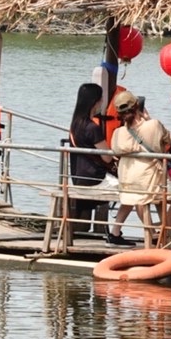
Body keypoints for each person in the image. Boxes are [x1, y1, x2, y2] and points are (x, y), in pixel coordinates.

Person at [106, 92, 171, 246]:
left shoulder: (118, 133)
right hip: (151, 181)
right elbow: (170, 139)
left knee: (135, 198)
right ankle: (163, 233)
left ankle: (118, 233)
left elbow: (115, 151)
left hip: (128, 181)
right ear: (138, 107)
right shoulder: (153, 125)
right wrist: (148, 120)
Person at [68, 82, 114, 236]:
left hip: (77, 176)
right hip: (95, 179)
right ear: (95, 102)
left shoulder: (75, 125)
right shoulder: (92, 128)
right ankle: (115, 233)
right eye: (101, 99)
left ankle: (81, 230)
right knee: (131, 190)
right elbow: (107, 158)